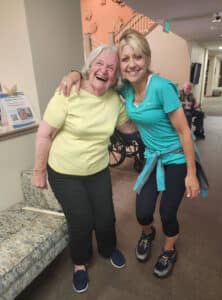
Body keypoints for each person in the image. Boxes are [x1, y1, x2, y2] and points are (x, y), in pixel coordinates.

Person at [59, 29, 208, 278]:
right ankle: (148, 233)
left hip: (177, 156)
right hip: (152, 156)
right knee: (142, 212)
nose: (131, 64)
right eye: (125, 59)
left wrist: (191, 173)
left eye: (137, 57)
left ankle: (169, 250)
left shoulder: (161, 88)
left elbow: (184, 132)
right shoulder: (124, 88)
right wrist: (75, 73)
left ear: (147, 59)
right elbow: (96, 75)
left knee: (168, 212)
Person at [32, 44, 137, 293]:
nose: (104, 70)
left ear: (115, 76)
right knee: (81, 221)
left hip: (97, 169)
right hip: (64, 171)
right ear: (90, 66)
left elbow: (129, 129)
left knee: (105, 217)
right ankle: (79, 264)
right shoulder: (69, 92)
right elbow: (45, 134)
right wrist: (39, 171)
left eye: (111, 67)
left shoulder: (115, 101)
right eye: (99, 64)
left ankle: (108, 249)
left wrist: (152, 118)